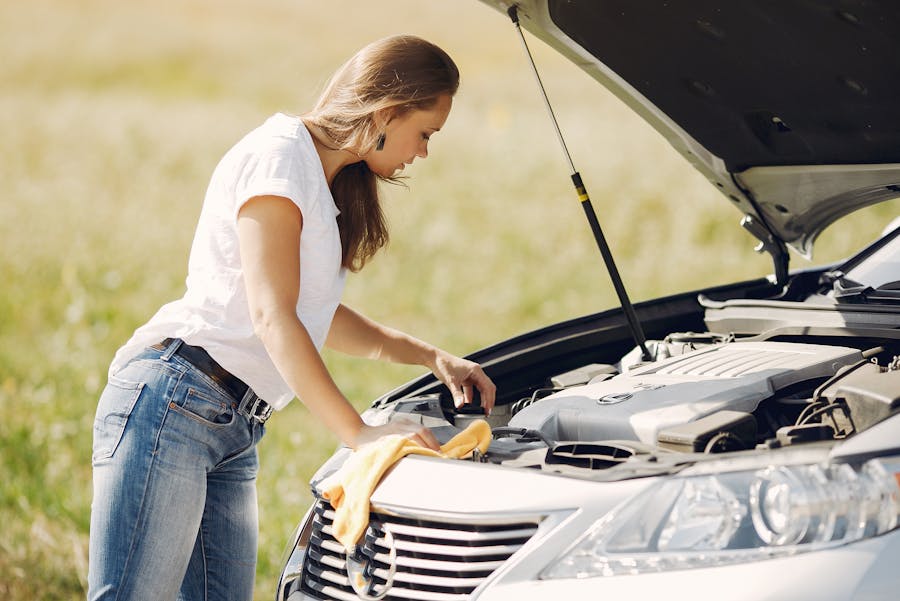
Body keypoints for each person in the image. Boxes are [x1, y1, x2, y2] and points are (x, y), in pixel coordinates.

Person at [87, 34, 496, 601]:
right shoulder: (279, 156)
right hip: (174, 405)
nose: (423, 152)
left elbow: (314, 315)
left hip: (232, 427)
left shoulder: (325, 182)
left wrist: (432, 356)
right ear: (388, 111)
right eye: (425, 133)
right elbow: (272, 315)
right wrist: (359, 434)